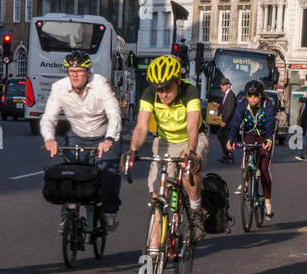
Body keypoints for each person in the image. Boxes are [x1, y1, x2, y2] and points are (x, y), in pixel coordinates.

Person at [125, 53, 210, 242]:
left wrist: (190, 151)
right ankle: (155, 252)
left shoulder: (190, 91)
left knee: (189, 169)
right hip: (164, 141)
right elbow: (141, 126)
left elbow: (192, 126)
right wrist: (133, 150)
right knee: (158, 195)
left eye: (167, 88)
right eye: (159, 89)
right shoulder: (149, 95)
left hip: (191, 138)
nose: (163, 94)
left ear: (178, 81)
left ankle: (196, 211)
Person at [40, 48, 123, 231]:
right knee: (69, 175)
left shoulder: (100, 85)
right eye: (71, 72)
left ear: (88, 71)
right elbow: (49, 117)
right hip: (77, 135)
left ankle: (110, 211)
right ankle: (66, 216)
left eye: (79, 72)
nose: (75, 76)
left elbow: (114, 114)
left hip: (103, 135)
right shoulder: (59, 88)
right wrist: (50, 139)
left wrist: (109, 139)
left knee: (109, 172)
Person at [227, 79, 276, 218]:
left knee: (265, 168)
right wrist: (230, 139)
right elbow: (236, 122)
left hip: (264, 137)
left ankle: (267, 204)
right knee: (246, 155)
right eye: (250, 96)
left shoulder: (268, 105)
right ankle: (246, 181)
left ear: (261, 95)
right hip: (250, 135)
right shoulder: (242, 104)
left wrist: (268, 139)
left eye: (255, 96)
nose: (252, 99)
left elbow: (270, 124)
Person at [217, 76, 236, 164]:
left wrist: (225, 121)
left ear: (228, 85)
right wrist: (218, 106)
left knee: (224, 138)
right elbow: (225, 107)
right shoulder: (225, 94)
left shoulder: (231, 95)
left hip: (229, 123)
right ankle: (226, 155)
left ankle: (229, 156)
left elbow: (230, 109)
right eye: (221, 85)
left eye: (223, 85)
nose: (221, 86)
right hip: (226, 122)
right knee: (222, 137)